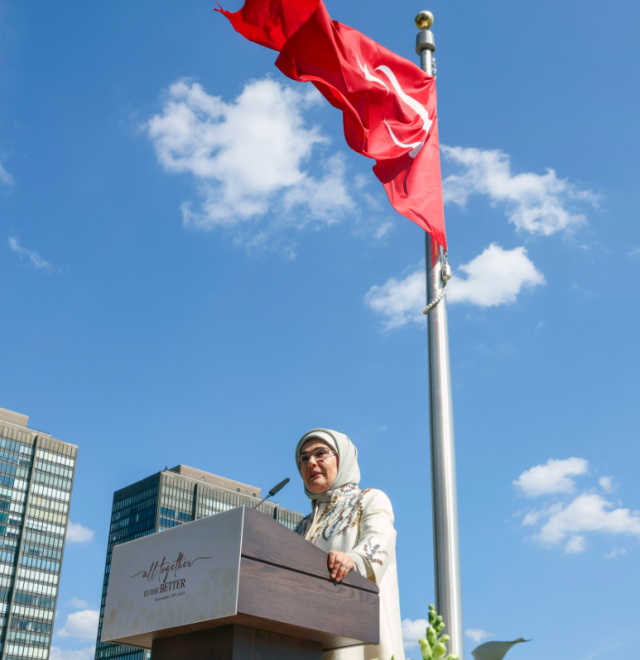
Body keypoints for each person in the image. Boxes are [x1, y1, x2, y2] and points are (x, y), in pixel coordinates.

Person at [294, 428, 405, 660]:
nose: (310, 463)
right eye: (304, 459)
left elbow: (379, 539)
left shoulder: (369, 499)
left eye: (320, 453)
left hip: (356, 635)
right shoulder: (301, 527)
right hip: (305, 637)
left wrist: (352, 559)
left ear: (343, 458)